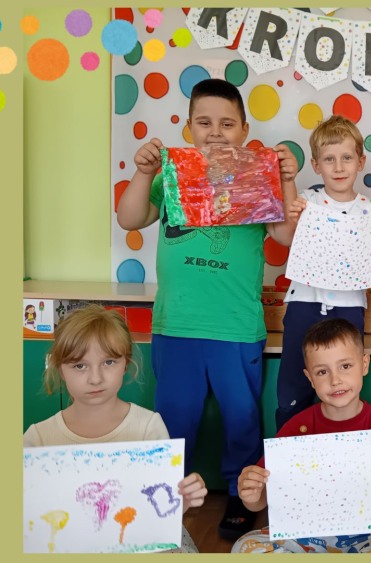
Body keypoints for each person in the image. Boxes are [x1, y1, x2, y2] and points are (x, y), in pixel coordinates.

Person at [116, 78, 301, 539]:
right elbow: (129, 218)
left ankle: (242, 494)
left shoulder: (257, 177)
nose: (215, 132)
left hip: (236, 327)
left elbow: (285, 237)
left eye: (226, 124)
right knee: (174, 420)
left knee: (242, 419)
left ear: (244, 130)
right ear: (188, 127)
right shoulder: (171, 175)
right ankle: (166, 497)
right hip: (176, 325)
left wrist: (286, 179)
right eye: (204, 122)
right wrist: (143, 172)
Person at [233, 319, 371, 553]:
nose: (335, 380)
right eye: (322, 372)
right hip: (303, 534)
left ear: (364, 364)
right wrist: (251, 496)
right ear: (310, 378)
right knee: (245, 547)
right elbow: (259, 502)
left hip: (366, 535)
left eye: (345, 366)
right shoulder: (296, 427)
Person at [23, 305, 207, 553]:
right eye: (79, 366)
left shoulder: (148, 427)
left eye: (109, 362)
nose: (95, 378)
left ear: (126, 364)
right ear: (60, 369)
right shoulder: (38, 439)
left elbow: (159, 512)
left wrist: (183, 500)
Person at [275, 115, 371, 431]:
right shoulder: (307, 201)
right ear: (316, 165)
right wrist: (293, 214)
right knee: (294, 385)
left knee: (342, 387)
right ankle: (288, 449)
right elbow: (286, 236)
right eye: (329, 159)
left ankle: (341, 451)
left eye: (346, 158)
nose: (339, 167)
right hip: (303, 304)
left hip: (349, 307)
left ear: (360, 162)